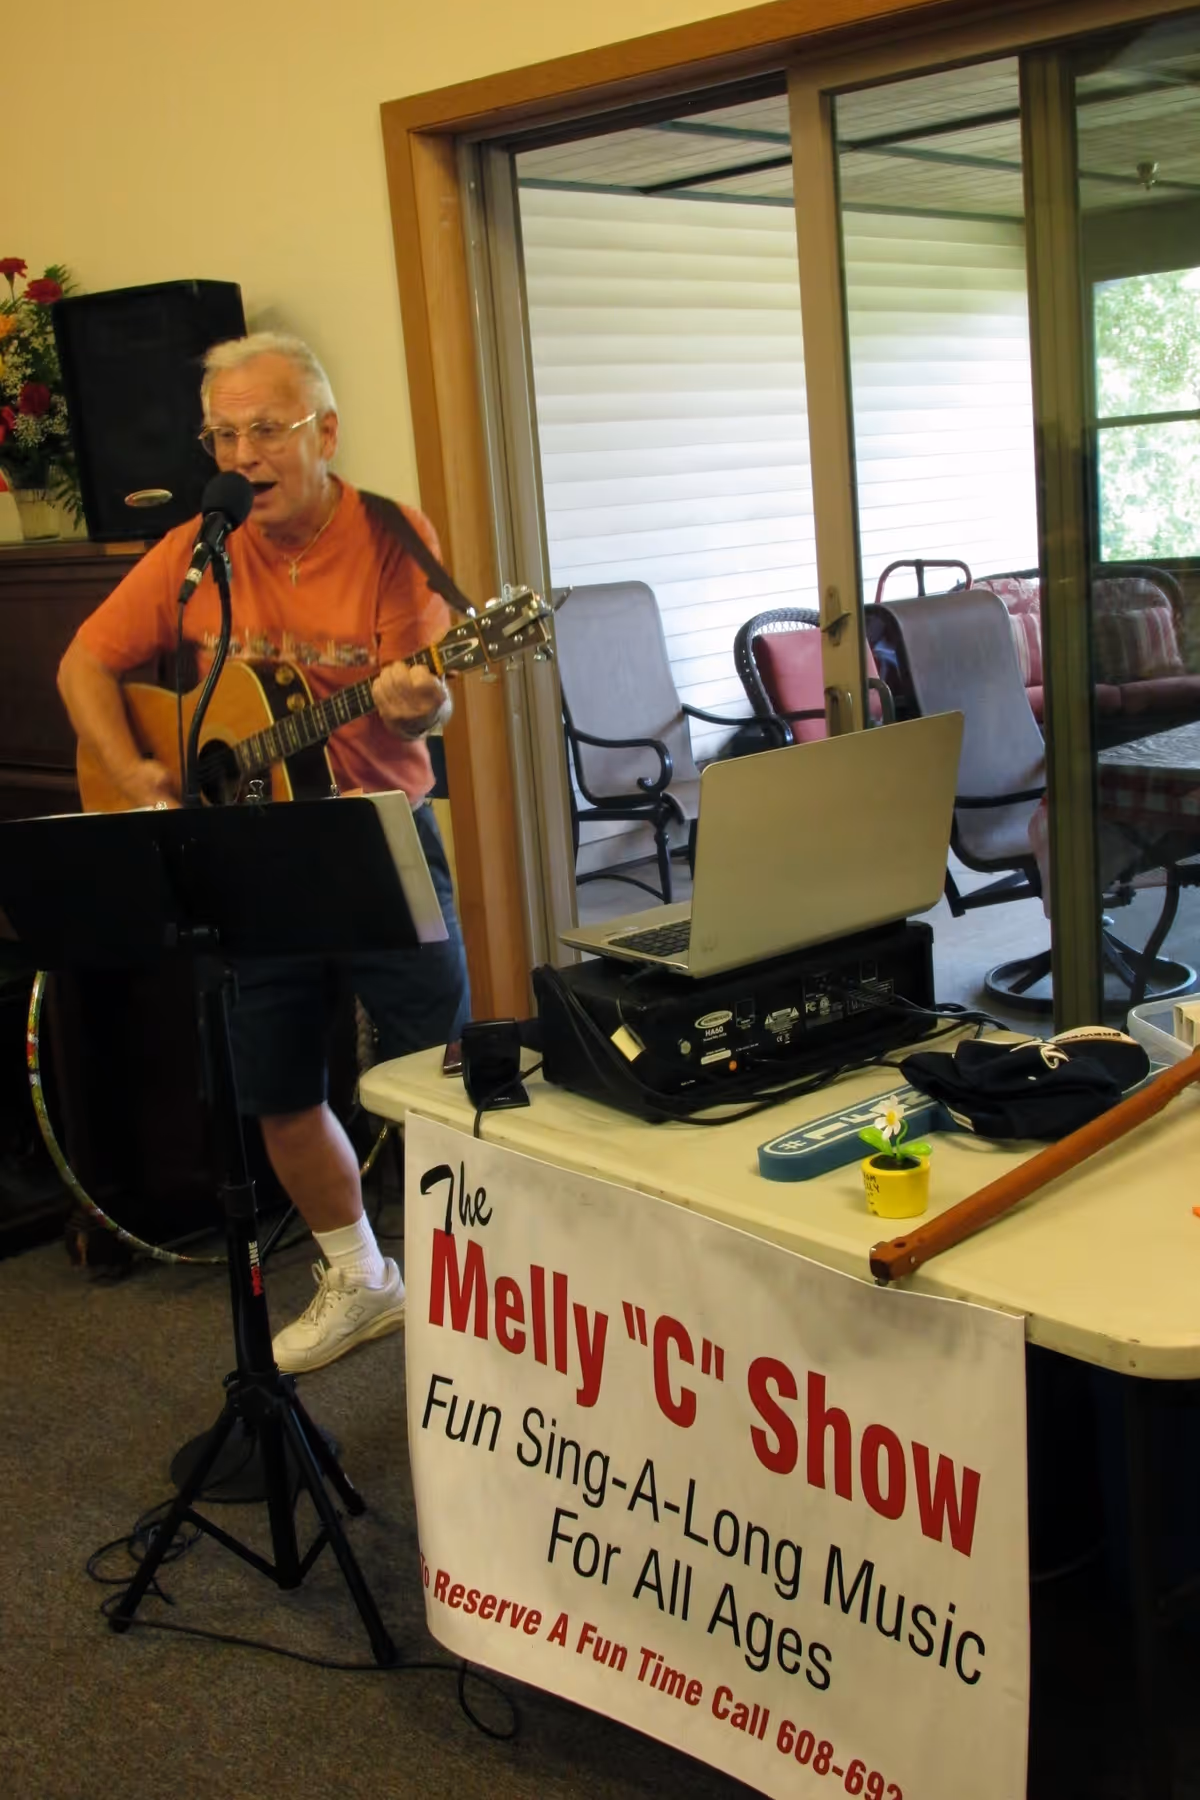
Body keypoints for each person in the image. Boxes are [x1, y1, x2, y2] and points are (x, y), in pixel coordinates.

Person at [57, 331, 470, 1372]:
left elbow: (427, 698)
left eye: (267, 430)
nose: (243, 454)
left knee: (445, 1076)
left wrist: (422, 705)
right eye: (224, 432)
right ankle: (361, 1274)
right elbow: (82, 665)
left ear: (324, 433)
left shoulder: (387, 535)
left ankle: (480, 1287)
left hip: (373, 834)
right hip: (246, 854)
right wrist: (140, 772)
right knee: (276, 1084)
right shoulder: (201, 547)